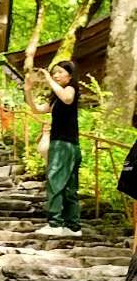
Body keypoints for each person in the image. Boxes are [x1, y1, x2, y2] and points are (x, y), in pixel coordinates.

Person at [34, 58, 81, 237]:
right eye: (54, 72)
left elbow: (67, 98)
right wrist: (28, 91)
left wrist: (49, 79)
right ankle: (72, 226)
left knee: (55, 181)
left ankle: (55, 223)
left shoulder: (71, 89)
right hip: (67, 143)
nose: (55, 75)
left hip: (63, 143)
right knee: (69, 185)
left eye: (60, 72)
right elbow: (38, 109)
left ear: (70, 75)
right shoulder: (56, 96)